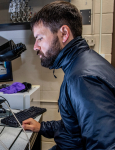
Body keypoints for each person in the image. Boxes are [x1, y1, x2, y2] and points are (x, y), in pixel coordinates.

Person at [22, 1, 115, 149]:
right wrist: (41, 127)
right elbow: (73, 126)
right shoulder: (80, 64)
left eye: (40, 38)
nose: (35, 47)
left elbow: (105, 146)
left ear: (64, 33)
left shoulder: (83, 79)